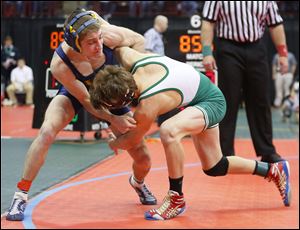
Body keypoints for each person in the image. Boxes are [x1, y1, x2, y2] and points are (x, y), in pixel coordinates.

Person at [89, 46, 291, 221]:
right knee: (215, 166)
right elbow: (121, 39)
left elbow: (132, 139)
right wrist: (101, 33)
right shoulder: (132, 57)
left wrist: (114, 143)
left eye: (113, 106)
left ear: (124, 100)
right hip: (200, 97)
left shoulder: (148, 104)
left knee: (168, 131)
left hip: (210, 102)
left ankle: (176, 198)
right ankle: (274, 170)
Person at [6, 8, 157, 222]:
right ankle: (21, 194)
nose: (99, 46)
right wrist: (113, 119)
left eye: (99, 39)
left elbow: (139, 40)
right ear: (76, 44)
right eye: (91, 43)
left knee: (143, 159)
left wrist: (130, 79)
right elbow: (87, 101)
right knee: (47, 131)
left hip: (110, 91)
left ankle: (138, 183)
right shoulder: (61, 64)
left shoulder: (110, 36)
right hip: (80, 93)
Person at [201, 1, 289, 163]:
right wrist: (207, 52)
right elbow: (208, 22)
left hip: (257, 47)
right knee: (228, 100)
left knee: (261, 101)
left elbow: (276, 24)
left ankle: (267, 150)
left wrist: (283, 54)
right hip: (228, 48)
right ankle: (224, 152)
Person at [1, 35, 21, 100]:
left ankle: (11, 99)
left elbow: (18, 58)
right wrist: (3, 62)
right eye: (7, 41)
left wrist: (14, 61)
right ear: (5, 42)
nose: (8, 43)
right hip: (4, 70)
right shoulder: (3, 49)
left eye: (9, 41)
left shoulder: (15, 49)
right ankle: (3, 97)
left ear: (11, 42)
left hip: (13, 69)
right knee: (4, 83)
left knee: (12, 82)